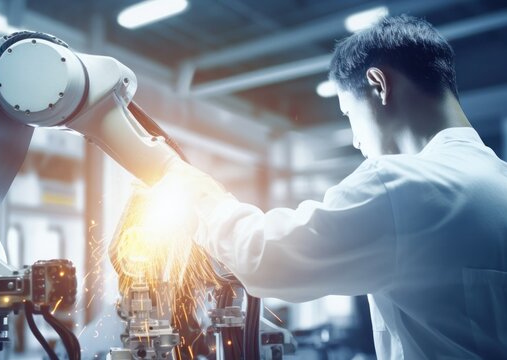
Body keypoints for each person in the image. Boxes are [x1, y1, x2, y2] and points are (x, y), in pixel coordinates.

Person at [169, 15, 507, 359]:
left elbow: (263, 256)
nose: (357, 141)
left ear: (378, 84)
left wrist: (197, 193)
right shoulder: (499, 181)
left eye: (349, 114)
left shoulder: (403, 186)